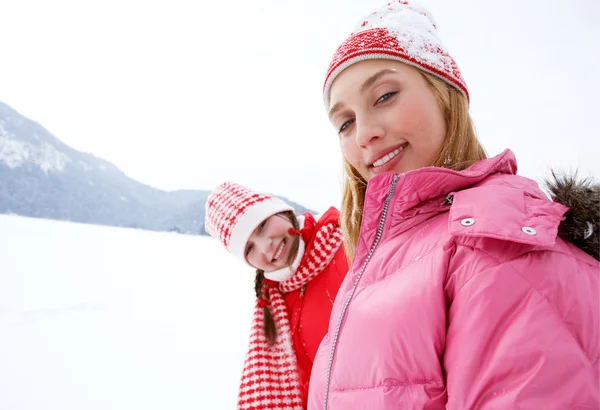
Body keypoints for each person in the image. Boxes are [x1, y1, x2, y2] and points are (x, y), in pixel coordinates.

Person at [308, 1, 600, 409]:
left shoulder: (492, 243)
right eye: (345, 122)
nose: (364, 134)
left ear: (446, 97)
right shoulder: (386, 257)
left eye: (385, 95)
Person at [204, 182, 349, 410]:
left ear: (281, 211)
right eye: (249, 249)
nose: (265, 247)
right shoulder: (275, 302)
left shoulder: (351, 241)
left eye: (262, 226)